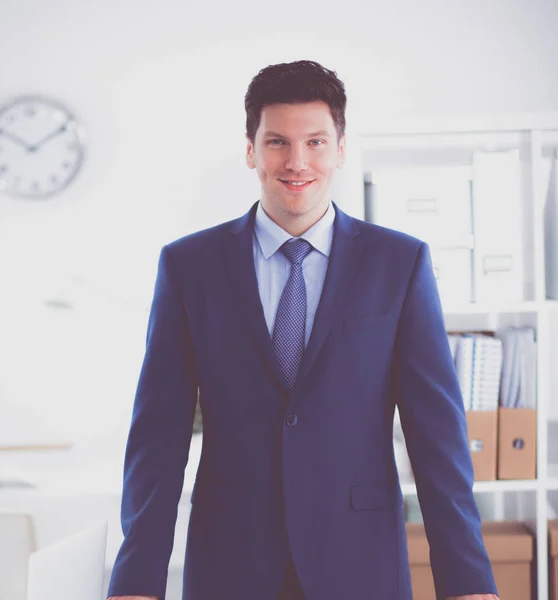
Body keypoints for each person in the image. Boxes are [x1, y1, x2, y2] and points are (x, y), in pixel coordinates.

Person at [107, 60, 500, 600]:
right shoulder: (189, 266)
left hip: (359, 560)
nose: (297, 162)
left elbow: (437, 438)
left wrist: (467, 581)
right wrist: (135, 581)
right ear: (250, 150)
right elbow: (157, 439)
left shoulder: (399, 263)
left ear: (340, 147)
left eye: (315, 142)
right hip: (231, 560)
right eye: (277, 142)